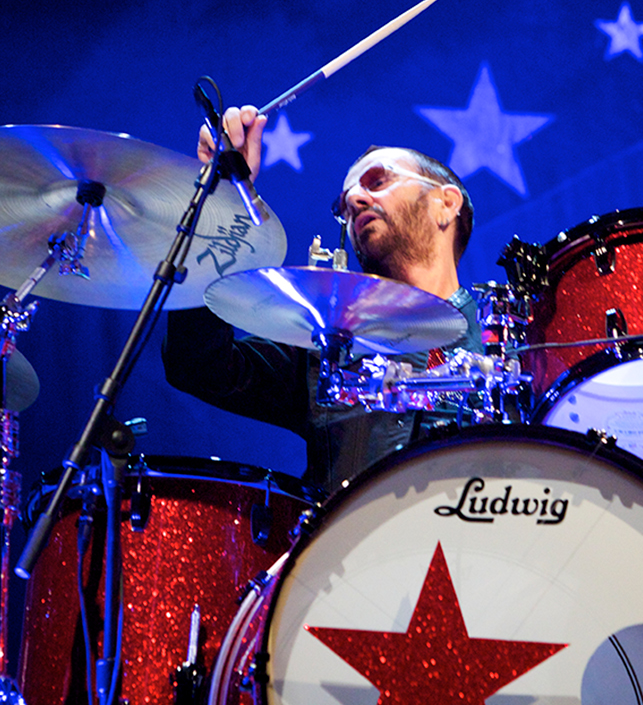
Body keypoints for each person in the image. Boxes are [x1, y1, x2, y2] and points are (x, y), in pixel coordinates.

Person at [163, 107, 482, 496]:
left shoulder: (522, 339)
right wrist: (222, 204)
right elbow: (196, 365)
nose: (357, 200)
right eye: (346, 206)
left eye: (377, 181)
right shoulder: (327, 348)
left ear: (446, 203)